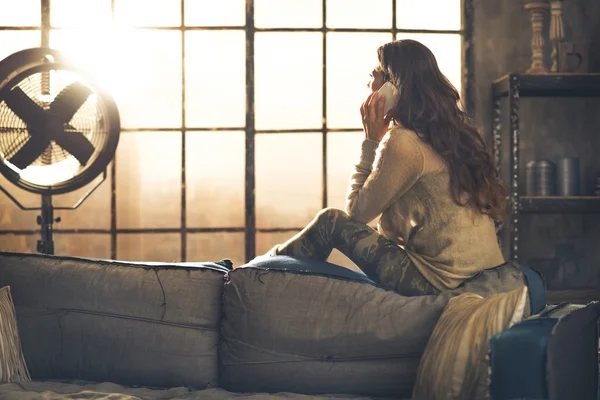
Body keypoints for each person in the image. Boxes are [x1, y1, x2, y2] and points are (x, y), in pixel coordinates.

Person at [266, 39, 507, 296]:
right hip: (481, 275)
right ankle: (266, 268)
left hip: (441, 283)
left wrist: (371, 141)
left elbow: (357, 213)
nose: (368, 86)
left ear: (393, 88)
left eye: (373, 76)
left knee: (330, 221)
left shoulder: (403, 141)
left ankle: (260, 275)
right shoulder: (451, 133)